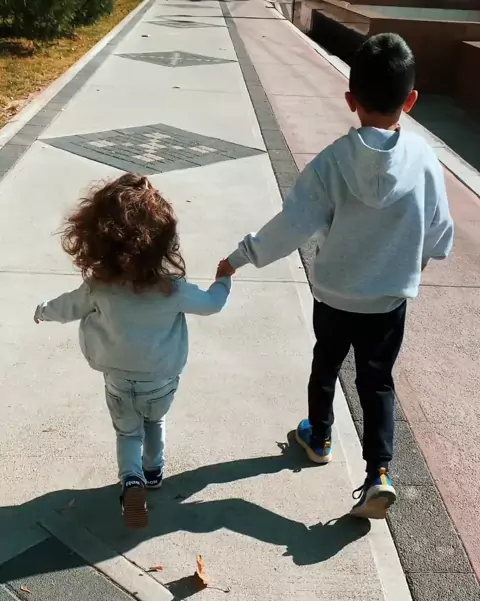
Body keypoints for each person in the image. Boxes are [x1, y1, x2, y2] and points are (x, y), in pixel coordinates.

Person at [217, 33, 454, 519]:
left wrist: (240, 257)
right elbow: (440, 233)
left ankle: (319, 437)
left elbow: (290, 226)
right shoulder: (425, 161)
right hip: (387, 302)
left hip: (334, 296)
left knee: (325, 365)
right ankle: (378, 474)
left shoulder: (331, 163)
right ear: (410, 100)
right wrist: (413, 265)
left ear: (350, 100)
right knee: (377, 382)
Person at [35, 173, 231, 529]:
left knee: (127, 432)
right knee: (154, 421)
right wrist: (224, 279)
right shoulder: (173, 289)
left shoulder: (99, 286)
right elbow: (211, 304)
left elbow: (67, 307)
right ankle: (153, 471)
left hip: (118, 377)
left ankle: (132, 480)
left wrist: (43, 311)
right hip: (161, 378)